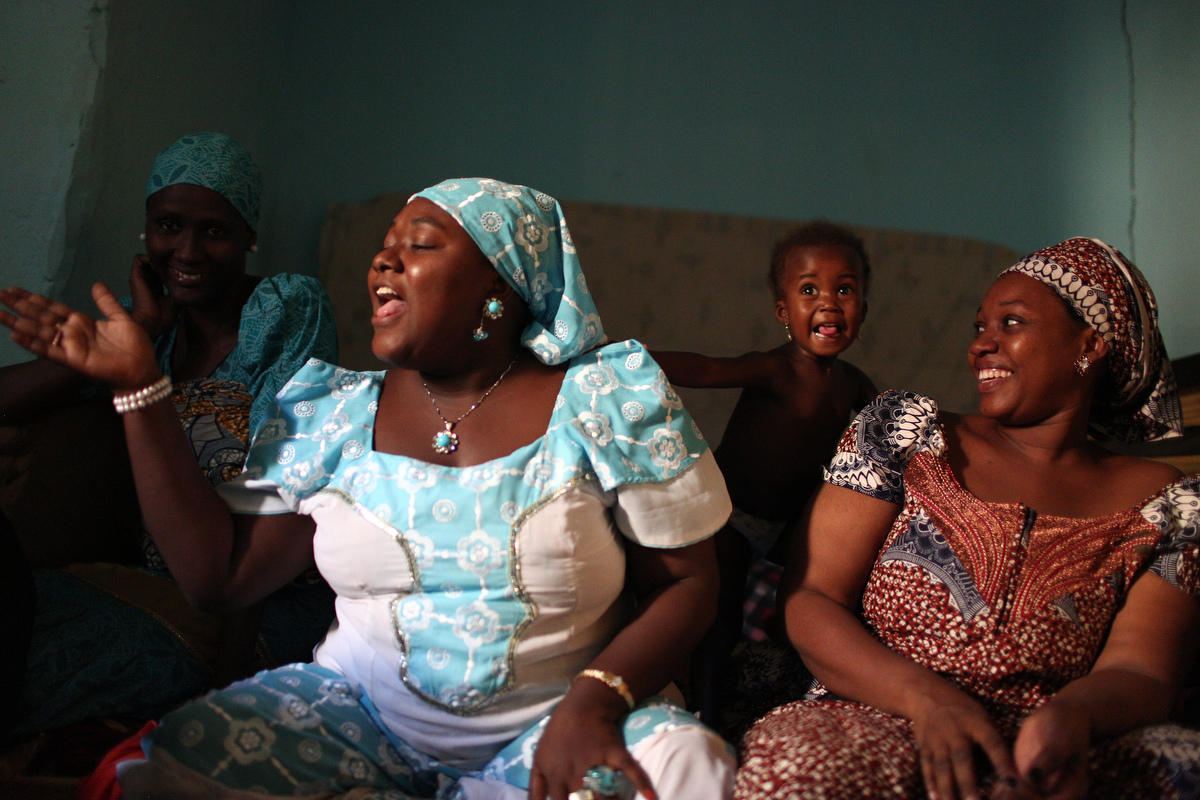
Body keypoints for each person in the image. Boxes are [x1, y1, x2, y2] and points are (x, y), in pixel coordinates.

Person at [1, 177, 737, 799]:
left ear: (499, 288)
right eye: (386, 242)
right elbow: (220, 578)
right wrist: (142, 390)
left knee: (683, 767)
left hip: (556, 720)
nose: (384, 257)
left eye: (419, 244)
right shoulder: (333, 413)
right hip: (357, 721)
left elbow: (688, 584)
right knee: (180, 760)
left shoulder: (607, 399)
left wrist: (597, 702)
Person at [735, 237, 1200, 800]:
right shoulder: (906, 432)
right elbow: (811, 600)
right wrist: (928, 701)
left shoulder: (1169, 506)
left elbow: (1145, 671)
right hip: (879, 711)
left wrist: (1068, 721)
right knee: (800, 772)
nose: (983, 345)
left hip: (1056, 739)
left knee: (1179, 768)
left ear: (1090, 344)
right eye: (980, 327)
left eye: (1011, 323)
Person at [0, 132, 339, 743]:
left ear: (248, 237)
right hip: (153, 583)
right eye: (169, 225)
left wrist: (225, 688)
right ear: (146, 231)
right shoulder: (154, 327)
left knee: (41, 667)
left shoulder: (284, 309)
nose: (187, 250)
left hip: (260, 600)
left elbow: (274, 481)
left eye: (214, 231)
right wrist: (131, 334)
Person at [651, 222, 876, 725]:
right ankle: (704, 713)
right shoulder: (778, 369)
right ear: (783, 312)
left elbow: (894, 427)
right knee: (720, 618)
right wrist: (629, 358)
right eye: (809, 290)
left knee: (814, 600)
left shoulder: (856, 386)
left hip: (786, 528)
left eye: (845, 289)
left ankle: (778, 696)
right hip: (732, 516)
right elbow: (708, 369)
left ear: (863, 308)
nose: (830, 302)